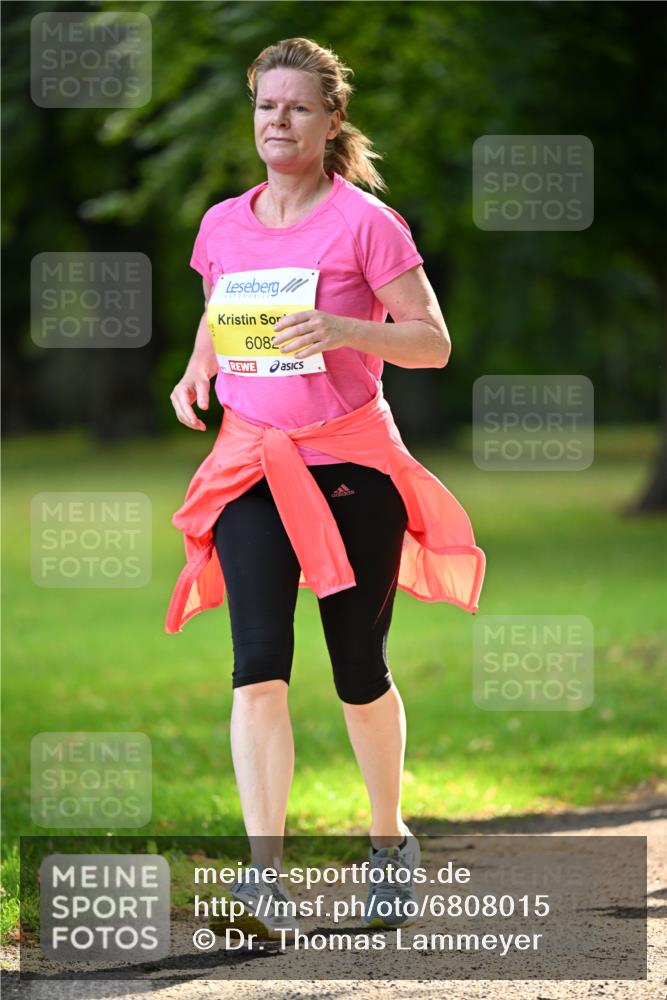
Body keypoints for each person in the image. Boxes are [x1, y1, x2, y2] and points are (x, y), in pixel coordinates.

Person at [168, 37, 484, 940]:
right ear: (254, 113)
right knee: (257, 664)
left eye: (299, 107)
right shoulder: (223, 222)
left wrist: (344, 326)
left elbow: (431, 341)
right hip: (251, 463)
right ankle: (264, 878)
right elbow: (217, 312)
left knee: (356, 668)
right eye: (268, 106)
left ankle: (389, 843)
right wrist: (195, 375)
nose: (280, 121)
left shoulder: (366, 224)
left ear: (331, 119)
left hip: (349, 466)